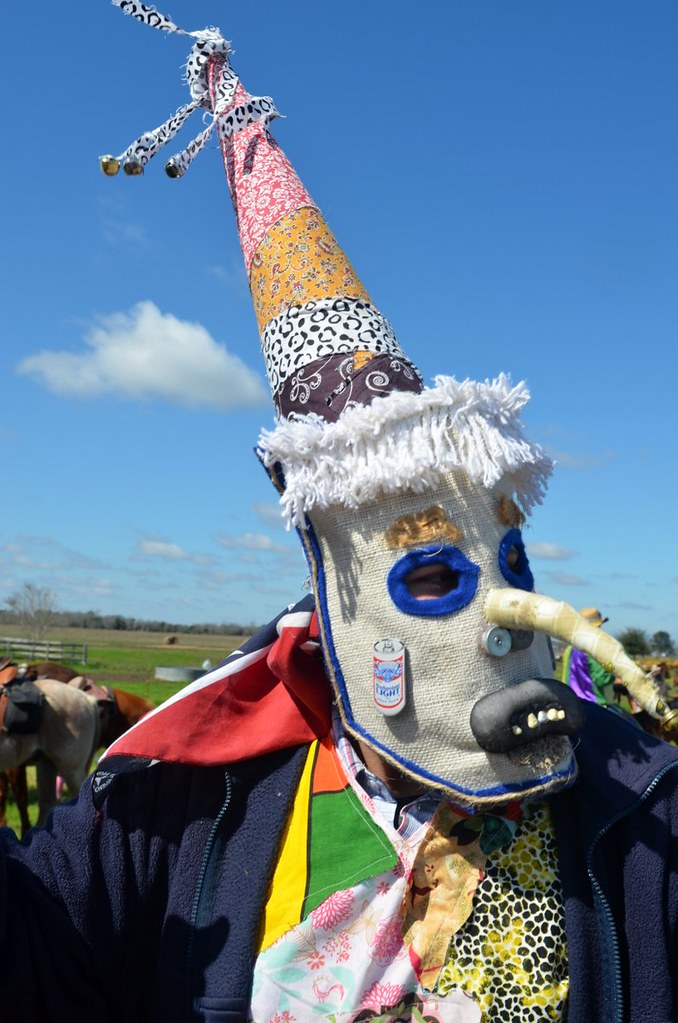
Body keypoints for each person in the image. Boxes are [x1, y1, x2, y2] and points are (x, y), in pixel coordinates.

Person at [2, 8, 678, 1023]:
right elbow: (37, 949)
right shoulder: (178, 805)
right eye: (434, 576)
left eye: (514, 563)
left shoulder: (640, 806)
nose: (501, 610)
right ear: (337, 591)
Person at [560, 606, 619, 707]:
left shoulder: (569, 649)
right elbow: (602, 680)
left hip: (570, 702)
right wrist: (615, 671)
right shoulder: (593, 648)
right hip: (593, 705)